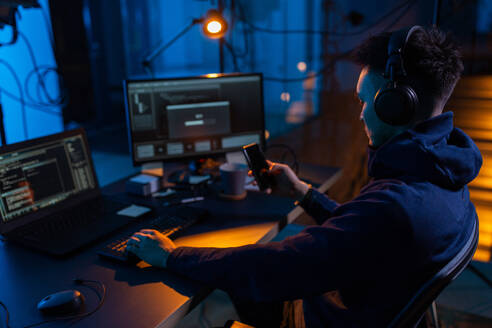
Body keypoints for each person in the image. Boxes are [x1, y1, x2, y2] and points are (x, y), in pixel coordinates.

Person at [126, 26, 482, 327]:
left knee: (199, 296)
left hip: (322, 314)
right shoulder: (444, 174)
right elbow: (362, 234)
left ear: (395, 104)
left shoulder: (398, 203)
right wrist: (304, 193)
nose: (360, 115)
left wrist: (172, 255)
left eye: (364, 101)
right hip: (362, 296)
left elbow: (275, 268)